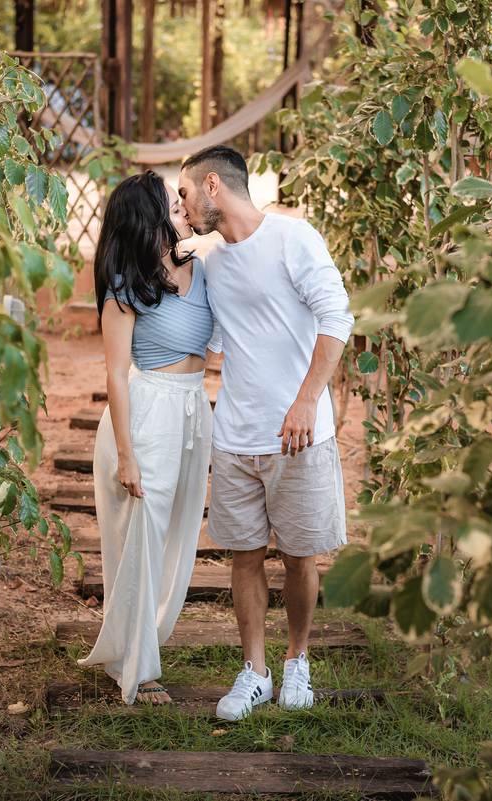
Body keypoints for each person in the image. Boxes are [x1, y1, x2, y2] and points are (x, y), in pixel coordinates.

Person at [177, 145, 354, 721]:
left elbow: (338, 318)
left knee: (300, 557)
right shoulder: (212, 262)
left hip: (298, 435)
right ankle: (254, 671)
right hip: (236, 437)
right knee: (244, 556)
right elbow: (218, 343)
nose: (181, 207)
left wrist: (307, 403)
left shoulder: (292, 238)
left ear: (211, 186)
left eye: (183, 195)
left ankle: (297, 658)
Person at [77, 170, 215, 705]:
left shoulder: (198, 268)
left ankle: (143, 642)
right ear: (148, 215)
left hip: (192, 408)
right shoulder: (125, 284)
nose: (181, 206)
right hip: (146, 410)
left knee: (178, 537)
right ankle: (139, 671)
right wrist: (127, 456)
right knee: (141, 542)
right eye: (171, 201)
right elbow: (114, 374)